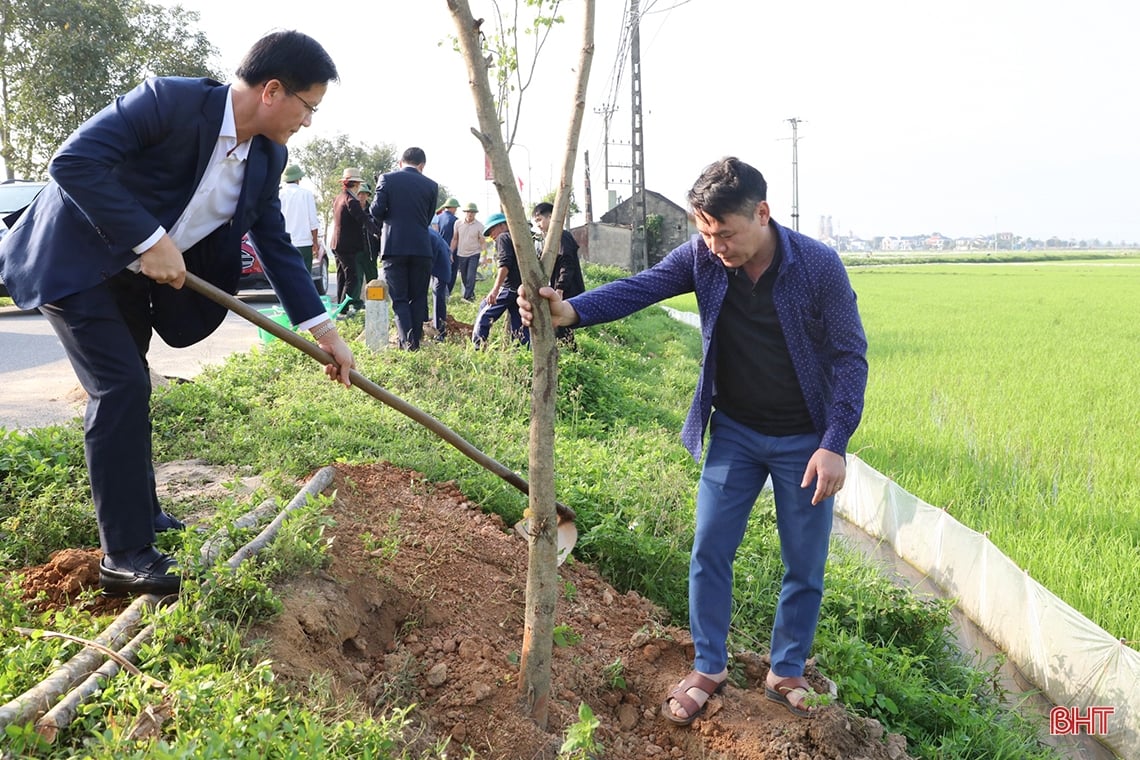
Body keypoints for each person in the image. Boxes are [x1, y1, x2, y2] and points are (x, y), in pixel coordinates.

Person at [0, 30, 356, 597]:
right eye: (308, 106)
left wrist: (323, 329)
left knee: (132, 382)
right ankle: (125, 555)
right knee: (118, 388)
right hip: (73, 260)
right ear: (272, 90)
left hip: (129, 281)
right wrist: (148, 238)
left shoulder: (267, 157)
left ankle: (144, 517)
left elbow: (275, 245)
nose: (309, 121)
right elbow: (72, 162)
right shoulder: (169, 102)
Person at [518, 157, 868, 723]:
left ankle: (787, 669)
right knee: (710, 549)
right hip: (733, 430)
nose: (714, 244)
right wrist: (572, 311)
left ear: (762, 213)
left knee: (804, 562)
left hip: (805, 439)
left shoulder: (818, 266)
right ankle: (709, 664)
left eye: (724, 232)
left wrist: (835, 441)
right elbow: (644, 287)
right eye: (705, 232)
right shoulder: (705, 258)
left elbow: (850, 356)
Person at [369, 147, 438, 350]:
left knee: (399, 299)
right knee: (417, 296)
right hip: (421, 248)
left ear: (401, 162)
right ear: (422, 166)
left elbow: (376, 211)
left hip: (394, 247)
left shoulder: (386, 179)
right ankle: (415, 339)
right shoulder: (431, 185)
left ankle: (408, 344)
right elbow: (427, 217)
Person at [471, 212, 529, 348]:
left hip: (508, 288)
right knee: (519, 323)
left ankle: (477, 349)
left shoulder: (503, 237)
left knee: (484, 313)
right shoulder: (519, 238)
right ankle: (522, 352)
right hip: (520, 289)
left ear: (503, 225)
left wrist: (495, 290)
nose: (491, 235)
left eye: (492, 230)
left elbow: (505, 264)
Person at [532, 201, 585, 344]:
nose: (538, 224)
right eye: (536, 221)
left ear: (551, 217)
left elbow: (567, 264)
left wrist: (560, 288)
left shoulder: (562, 236)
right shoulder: (549, 239)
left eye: (540, 220)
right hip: (559, 288)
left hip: (567, 288)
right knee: (560, 325)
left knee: (563, 326)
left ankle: (570, 356)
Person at [330, 167, 380, 312]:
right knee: (353, 278)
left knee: (344, 277)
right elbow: (363, 219)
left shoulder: (339, 198)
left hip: (338, 244)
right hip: (348, 246)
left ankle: (342, 307)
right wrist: (378, 233)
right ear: (356, 184)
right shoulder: (351, 200)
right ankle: (345, 309)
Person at [279, 163, 322, 275]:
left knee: (286, 276)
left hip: (285, 242)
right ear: (298, 178)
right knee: (304, 276)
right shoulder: (306, 194)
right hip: (304, 243)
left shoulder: (279, 195)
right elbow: (313, 221)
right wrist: (315, 242)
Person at [451, 202, 483, 302]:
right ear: (465, 212)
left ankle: (467, 297)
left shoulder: (479, 226)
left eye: (472, 212)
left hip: (474, 253)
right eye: (468, 212)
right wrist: (450, 253)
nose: (470, 214)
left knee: (471, 275)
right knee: (464, 277)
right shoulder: (458, 223)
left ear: (475, 213)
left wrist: (485, 257)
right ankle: (471, 295)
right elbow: (455, 239)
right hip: (461, 254)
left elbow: (482, 242)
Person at [428, 228, 452, 341]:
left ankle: (440, 331)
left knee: (438, 296)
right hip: (439, 263)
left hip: (440, 266)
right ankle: (430, 324)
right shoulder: (428, 231)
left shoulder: (426, 233)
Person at [434, 197, 460, 292]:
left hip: (438, 249)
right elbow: (456, 238)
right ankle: (447, 292)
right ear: (452, 208)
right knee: (452, 272)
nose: (456, 210)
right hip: (451, 249)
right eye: (456, 208)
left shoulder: (437, 218)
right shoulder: (455, 221)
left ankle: (438, 291)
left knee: (438, 272)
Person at [356, 182, 379, 288]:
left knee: (373, 280)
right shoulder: (352, 209)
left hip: (370, 252)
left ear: (368, 195)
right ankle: (357, 304)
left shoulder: (373, 211)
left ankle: (374, 303)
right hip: (356, 251)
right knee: (356, 280)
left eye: (364, 194)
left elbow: (378, 229)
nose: (361, 196)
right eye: (359, 194)